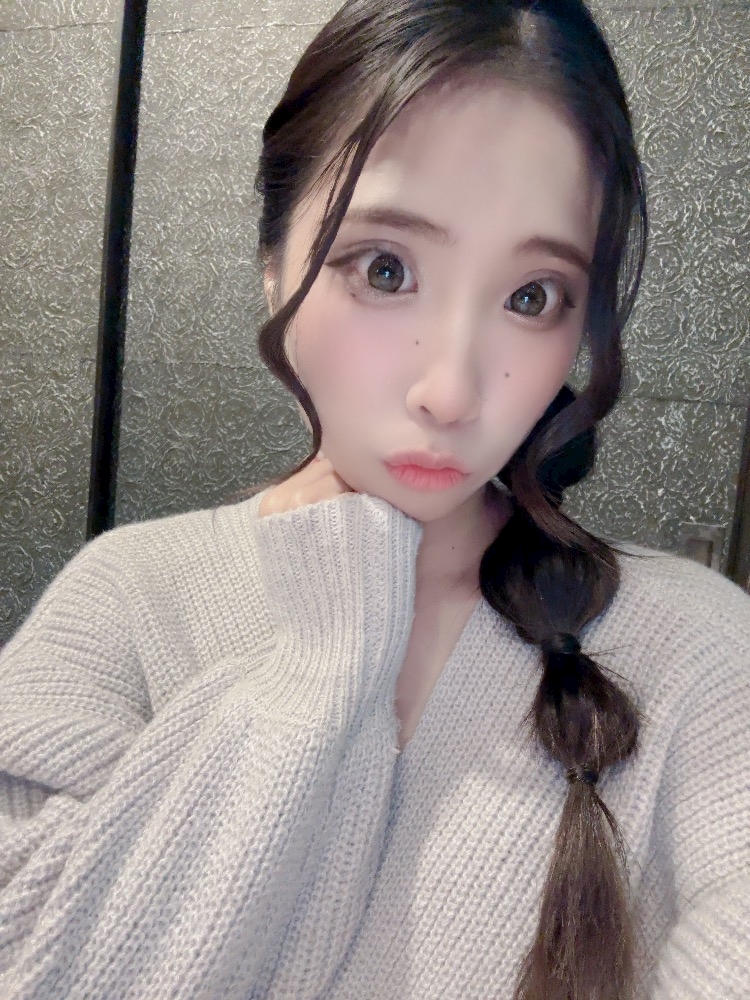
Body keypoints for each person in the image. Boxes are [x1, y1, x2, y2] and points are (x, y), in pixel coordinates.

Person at [1, 0, 748, 997]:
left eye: (532, 297)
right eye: (387, 270)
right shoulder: (127, 599)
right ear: (274, 266)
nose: (450, 390)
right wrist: (326, 653)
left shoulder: (697, 653)